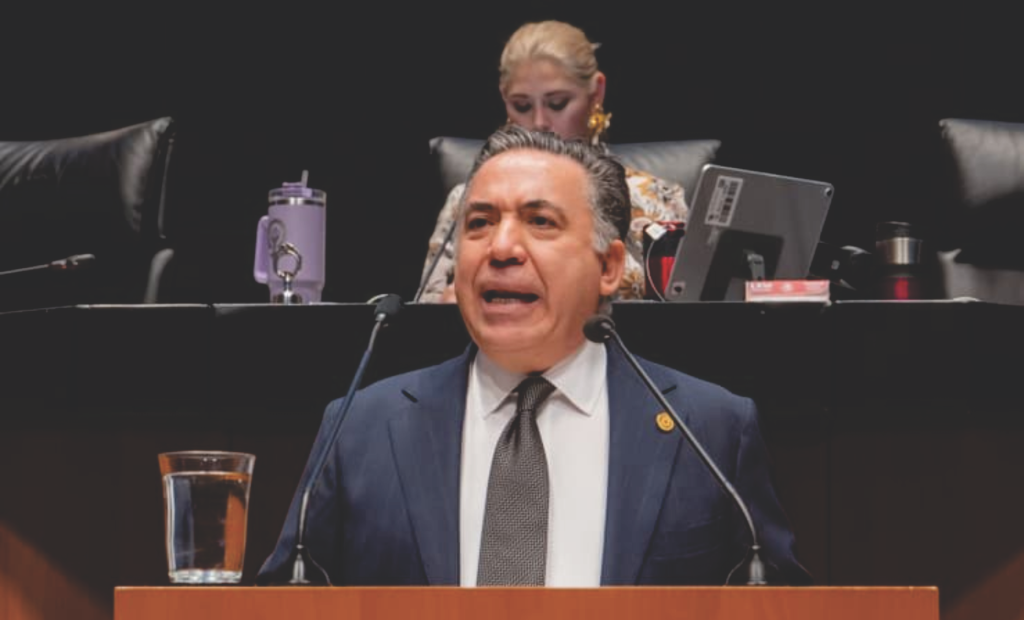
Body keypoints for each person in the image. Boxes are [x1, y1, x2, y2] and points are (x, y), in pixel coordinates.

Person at [258, 126, 809, 587]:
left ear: (608, 267)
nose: (500, 248)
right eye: (479, 223)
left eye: (540, 221)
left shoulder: (711, 431)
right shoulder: (360, 428)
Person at [418, 20, 688, 303]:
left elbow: (687, 310)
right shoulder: (471, 199)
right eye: (522, 106)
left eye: (557, 103)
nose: (539, 122)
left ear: (596, 92)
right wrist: (448, 306)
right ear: (504, 98)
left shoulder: (658, 198)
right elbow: (424, 311)